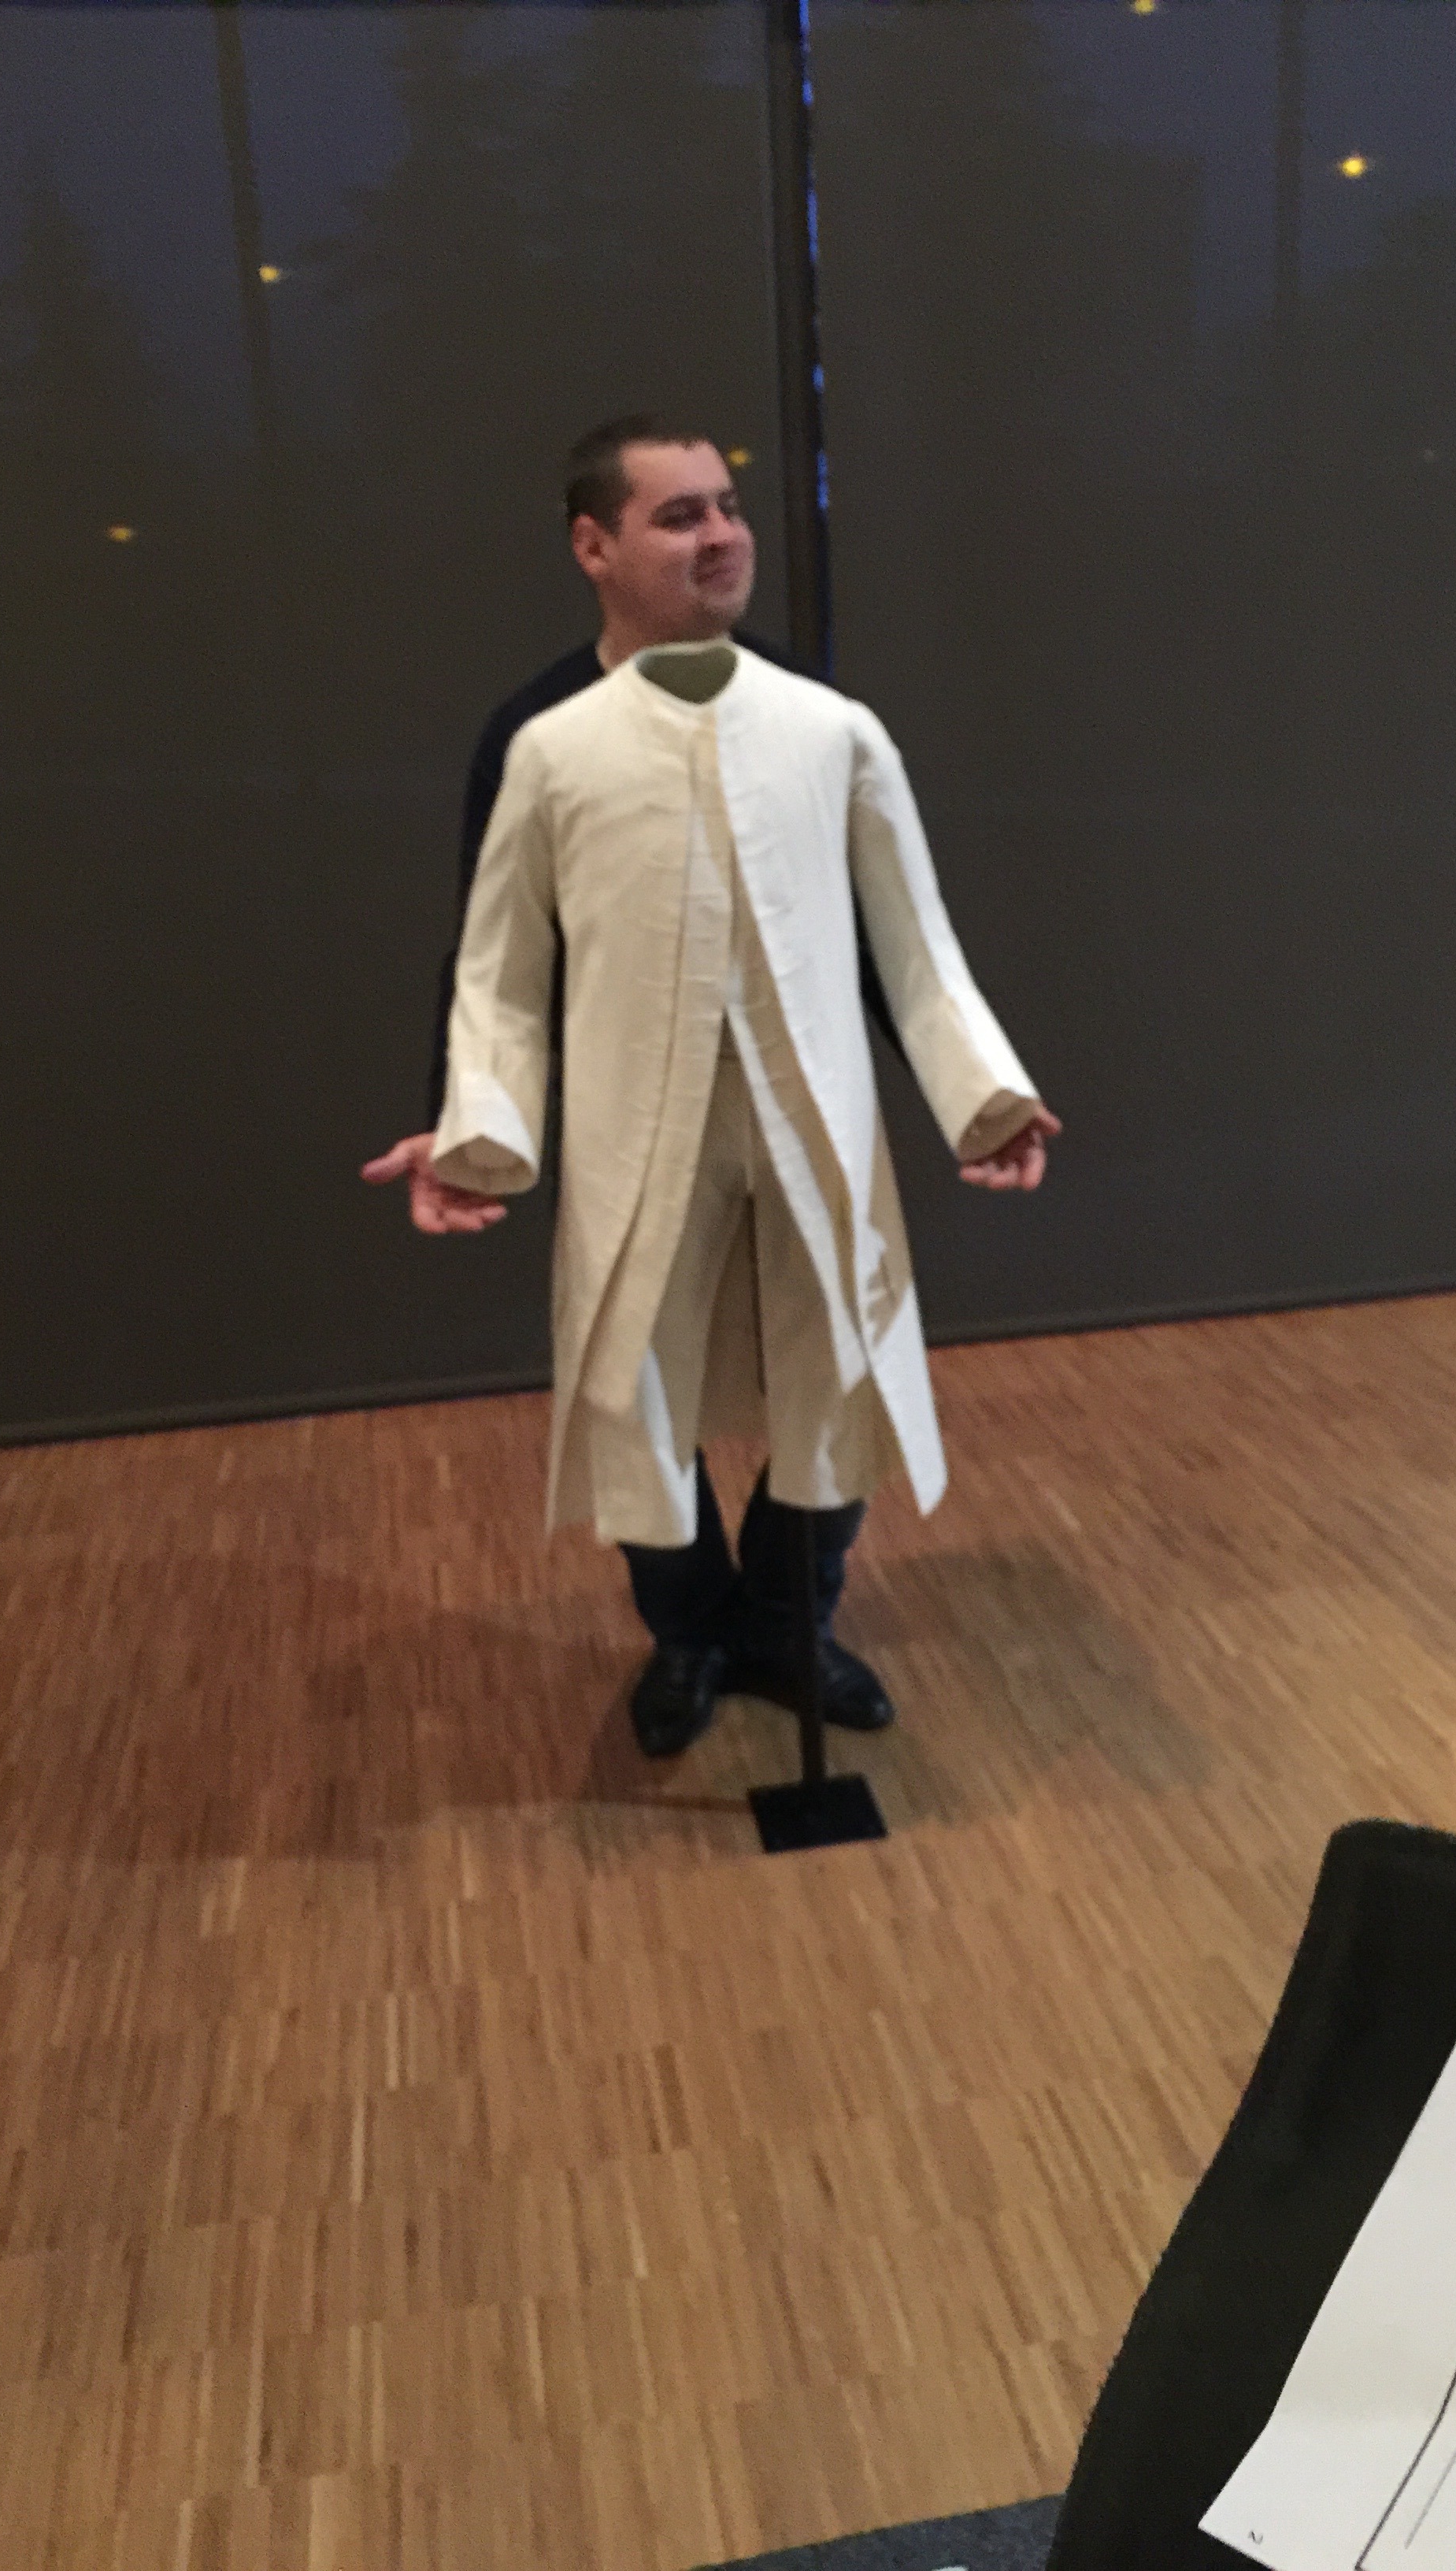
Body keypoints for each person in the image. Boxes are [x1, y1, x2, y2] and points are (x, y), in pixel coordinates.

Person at [364, 416, 1059, 1757]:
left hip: (812, 1116)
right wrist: (468, 1124)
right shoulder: (544, 743)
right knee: (635, 1385)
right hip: (638, 1125)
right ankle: (688, 1632)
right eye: (680, 515)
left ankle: (791, 1624)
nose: (722, 534)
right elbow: (497, 963)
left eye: (727, 507)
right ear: (595, 546)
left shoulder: (828, 727)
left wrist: (984, 1097)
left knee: (836, 1368)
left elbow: (910, 944)